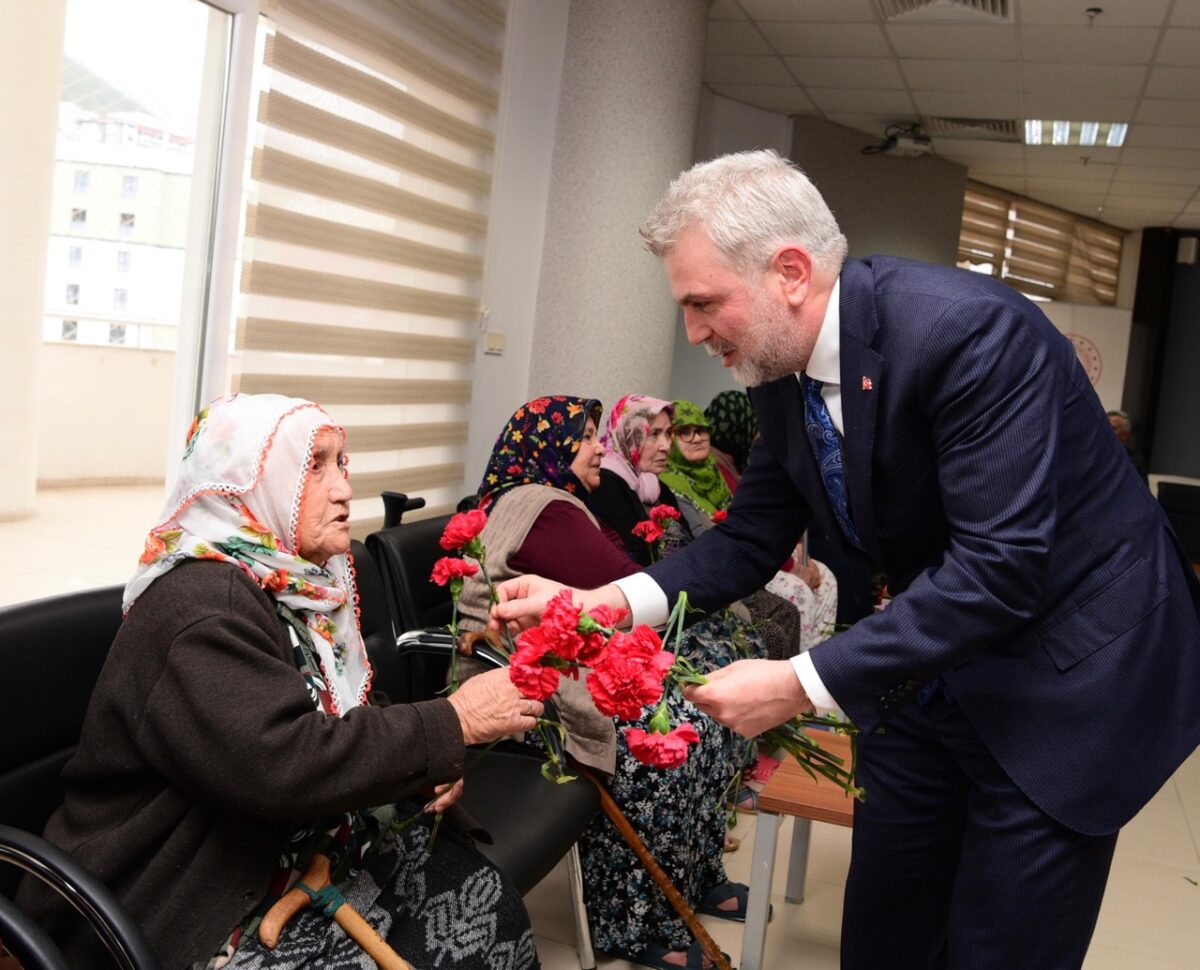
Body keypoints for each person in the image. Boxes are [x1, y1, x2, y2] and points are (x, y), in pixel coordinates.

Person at [493, 150, 1200, 970]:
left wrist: (796, 684)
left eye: (702, 303)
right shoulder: (777, 370)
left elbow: (999, 568)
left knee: (1000, 947)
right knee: (884, 937)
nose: (692, 332)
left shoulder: (969, 332)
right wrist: (602, 605)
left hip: (1064, 678)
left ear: (789, 272)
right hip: (923, 672)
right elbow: (751, 536)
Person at [18, 393, 542, 970]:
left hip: (288, 845)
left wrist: (419, 767)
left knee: (488, 906)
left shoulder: (294, 585)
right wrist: (453, 723)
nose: (344, 487)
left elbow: (331, 705)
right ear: (250, 486)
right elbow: (278, 763)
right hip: (175, 894)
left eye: (341, 462)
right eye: (314, 465)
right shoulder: (203, 603)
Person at [455, 395, 747, 970]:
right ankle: (635, 924)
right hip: (523, 677)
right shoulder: (546, 506)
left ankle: (692, 872)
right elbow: (627, 580)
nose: (597, 447)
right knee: (673, 735)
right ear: (553, 448)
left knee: (704, 711)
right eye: (586, 437)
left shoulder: (559, 501)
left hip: (567, 655)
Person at [662, 398, 836, 653]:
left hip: (753, 547)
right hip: (732, 556)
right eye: (684, 432)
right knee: (797, 591)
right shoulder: (670, 482)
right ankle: (797, 674)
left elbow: (754, 517)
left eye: (701, 429)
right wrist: (791, 566)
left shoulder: (718, 468)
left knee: (827, 578)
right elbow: (720, 535)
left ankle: (818, 666)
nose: (697, 438)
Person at [1107, 408, 1148, 481]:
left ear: (1125, 435)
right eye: (1105, 426)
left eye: (1113, 428)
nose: (1106, 431)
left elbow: (1140, 491)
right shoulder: (1090, 453)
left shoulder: (1135, 461)